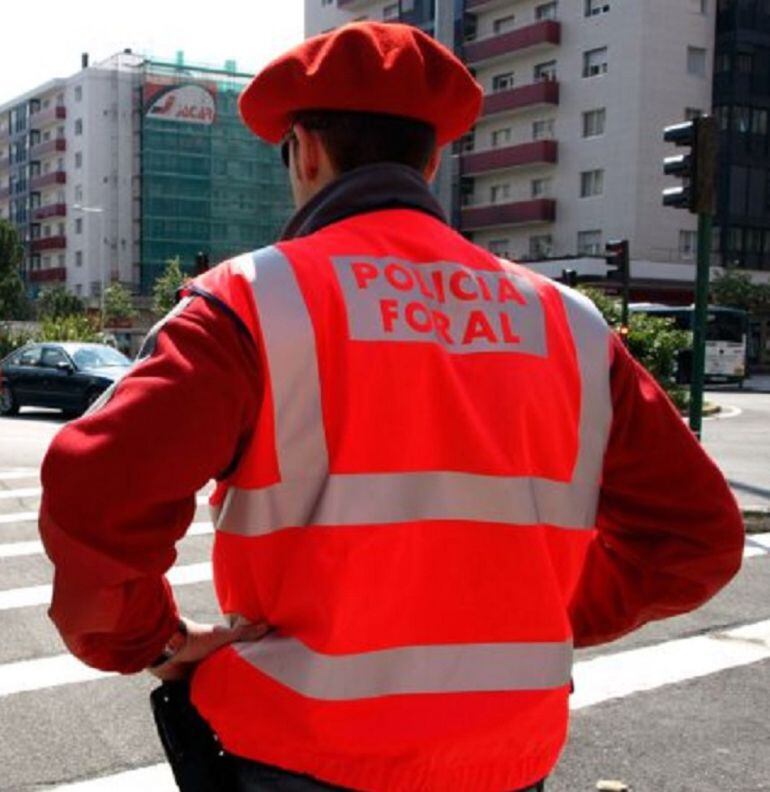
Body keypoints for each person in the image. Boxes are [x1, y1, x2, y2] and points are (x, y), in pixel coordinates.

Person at [40, 21, 744, 792]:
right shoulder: (571, 325)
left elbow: (98, 489)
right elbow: (697, 539)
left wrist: (152, 639)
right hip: (505, 759)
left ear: (305, 151)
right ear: (433, 158)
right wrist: (541, 615)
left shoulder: (248, 304)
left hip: (299, 751)